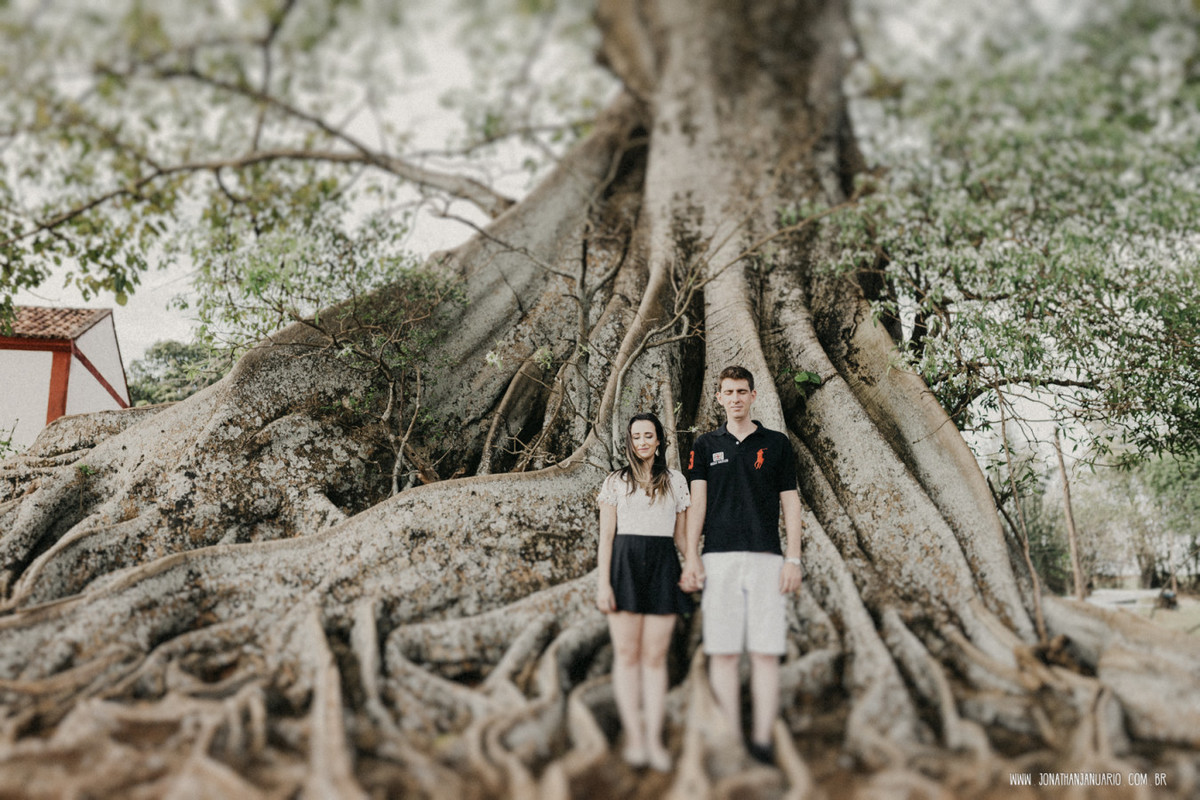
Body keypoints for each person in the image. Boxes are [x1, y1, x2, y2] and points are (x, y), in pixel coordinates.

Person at [680, 365, 804, 766]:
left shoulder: (777, 444)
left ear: (753, 396)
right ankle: (732, 737)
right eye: (728, 392)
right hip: (718, 558)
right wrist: (692, 555)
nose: (735, 398)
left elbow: (791, 503)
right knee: (724, 653)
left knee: (767, 652)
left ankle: (764, 739)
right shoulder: (703, 444)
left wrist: (793, 558)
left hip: (767, 558)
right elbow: (696, 503)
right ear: (718, 398)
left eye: (741, 392)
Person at [596, 412, 692, 772]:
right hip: (624, 567)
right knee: (626, 654)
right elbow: (606, 538)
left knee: (654, 658)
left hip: (663, 567)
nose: (642, 442)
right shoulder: (616, 482)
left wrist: (694, 564)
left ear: (658, 439)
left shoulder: (676, 482)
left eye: (648, 435)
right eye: (636, 436)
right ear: (629, 441)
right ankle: (634, 738)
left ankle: (653, 739)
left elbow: (682, 537)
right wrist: (603, 583)